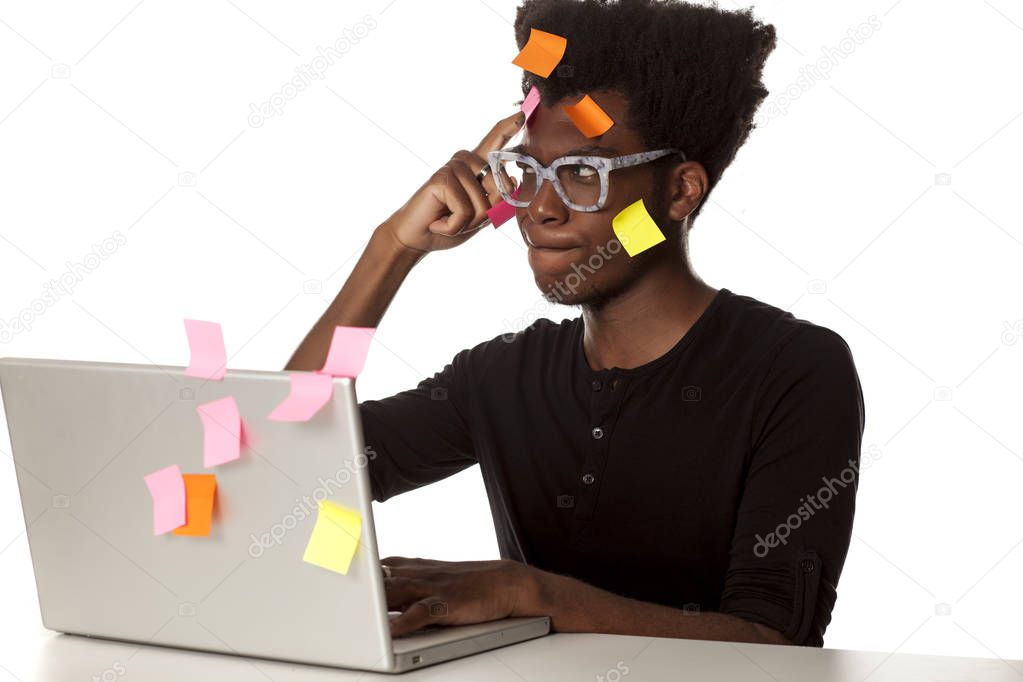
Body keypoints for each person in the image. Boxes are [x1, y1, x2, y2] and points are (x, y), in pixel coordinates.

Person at [287, 0, 864, 647]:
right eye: (526, 173)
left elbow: (774, 641)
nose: (539, 209)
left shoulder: (791, 369)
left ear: (678, 192)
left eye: (581, 173)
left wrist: (530, 593)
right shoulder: (502, 375)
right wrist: (392, 248)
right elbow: (283, 463)